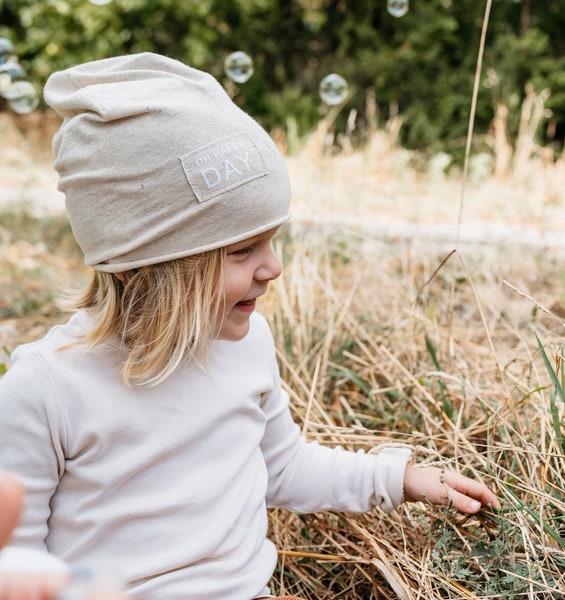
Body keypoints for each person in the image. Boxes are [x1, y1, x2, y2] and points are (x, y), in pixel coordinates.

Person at [0, 52, 500, 600]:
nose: (273, 267)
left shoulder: (245, 344)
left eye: (272, 239)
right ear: (155, 263)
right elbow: (16, 560)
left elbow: (283, 466)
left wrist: (397, 479)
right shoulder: (46, 389)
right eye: (243, 250)